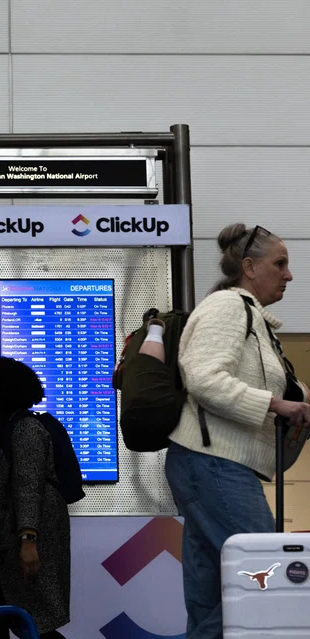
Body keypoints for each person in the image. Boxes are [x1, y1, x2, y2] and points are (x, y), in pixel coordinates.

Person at [166, 223, 310, 639]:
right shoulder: (229, 308)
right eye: (279, 263)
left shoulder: (257, 322)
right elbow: (205, 378)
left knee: (214, 594)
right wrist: (277, 404)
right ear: (248, 267)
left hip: (211, 466)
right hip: (215, 465)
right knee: (265, 582)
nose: (289, 274)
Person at [0, 357, 70, 639]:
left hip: (20, 543)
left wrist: (28, 540)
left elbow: (28, 485)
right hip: (0, 544)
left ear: (4, 389)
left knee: (32, 623)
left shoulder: (24, 429)